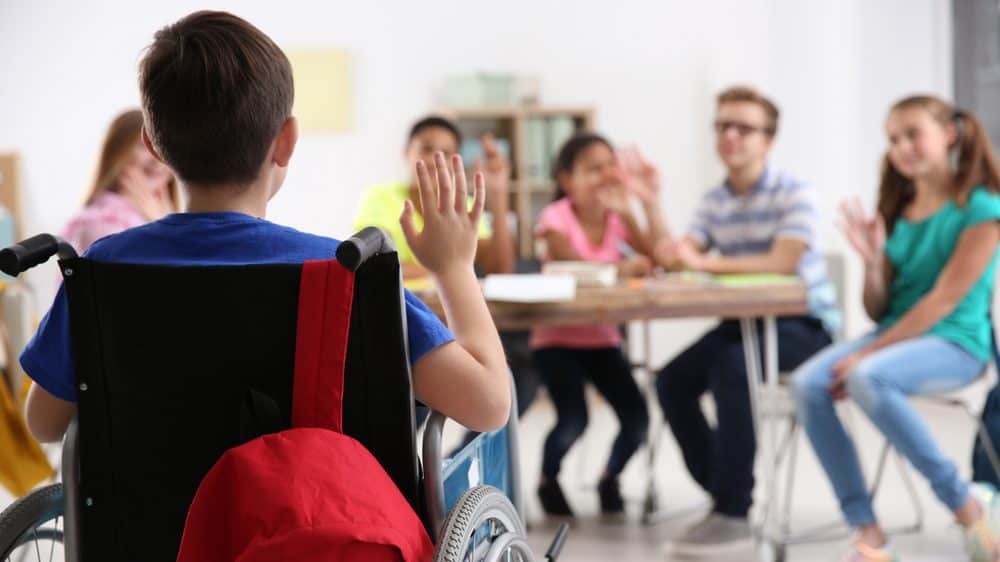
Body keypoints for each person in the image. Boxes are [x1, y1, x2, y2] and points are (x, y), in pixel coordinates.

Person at [21, 10, 510, 447]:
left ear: (153, 145)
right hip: (317, 538)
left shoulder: (103, 267)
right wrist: (453, 268)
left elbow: (44, 424)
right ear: (286, 143)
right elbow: (488, 406)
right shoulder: (343, 272)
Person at [792, 95, 1000, 562]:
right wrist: (871, 265)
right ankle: (868, 533)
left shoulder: (983, 208)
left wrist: (867, 355)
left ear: (948, 135)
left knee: (869, 375)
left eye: (913, 134)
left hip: (956, 342)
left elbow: (944, 299)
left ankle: (966, 507)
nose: (902, 147)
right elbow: (877, 307)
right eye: (892, 139)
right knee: (808, 384)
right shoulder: (897, 206)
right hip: (896, 335)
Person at [655, 85, 838, 556]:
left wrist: (704, 263)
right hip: (743, 324)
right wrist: (654, 209)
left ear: (768, 140)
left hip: (805, 327)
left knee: (733, 368)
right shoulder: (713, 200)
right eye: (722, 126)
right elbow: (682, 256)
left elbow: (782, 262)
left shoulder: (796, 193)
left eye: (744, 128)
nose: (730, 135)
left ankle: (733, 511)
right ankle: (724, 493)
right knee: (672, 380)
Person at [532, 132, 661, 518]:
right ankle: (547, 480)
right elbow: (570, 263)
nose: (605, 174)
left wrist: (630, 212)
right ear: (567, 180)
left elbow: (653, 258)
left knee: (637, 417)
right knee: (574, 419)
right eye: (593, 168)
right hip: (556, 340)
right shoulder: (555, 217)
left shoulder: (617, 220)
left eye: (610, 165)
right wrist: (622, 267)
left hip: (602, 339)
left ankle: (610, 477)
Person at [354, 117, 515, 278]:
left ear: (455, 161)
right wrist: (450, 269)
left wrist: (498, 194)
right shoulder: (380, 198)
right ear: (407, 152)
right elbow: (374, 266)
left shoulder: (466, 206)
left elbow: (499, 268)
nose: (434, 161)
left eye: (446, 153)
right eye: (426, 149)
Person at [63, 109, 177, 252]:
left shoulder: (170, 215)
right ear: (116, 154)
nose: (157, 160)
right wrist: (165, 230)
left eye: (162, 147)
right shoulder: (100, 224)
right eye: (144, 147)